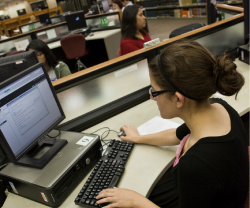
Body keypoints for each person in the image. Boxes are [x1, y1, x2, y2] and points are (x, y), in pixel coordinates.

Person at [96, 40, 249, 208]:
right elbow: (176, 134)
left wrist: (136, 201)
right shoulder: (219, 107)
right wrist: (139, 138)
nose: (152, 98)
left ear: (178, 99)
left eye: (154, 92)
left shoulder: (195, 164)